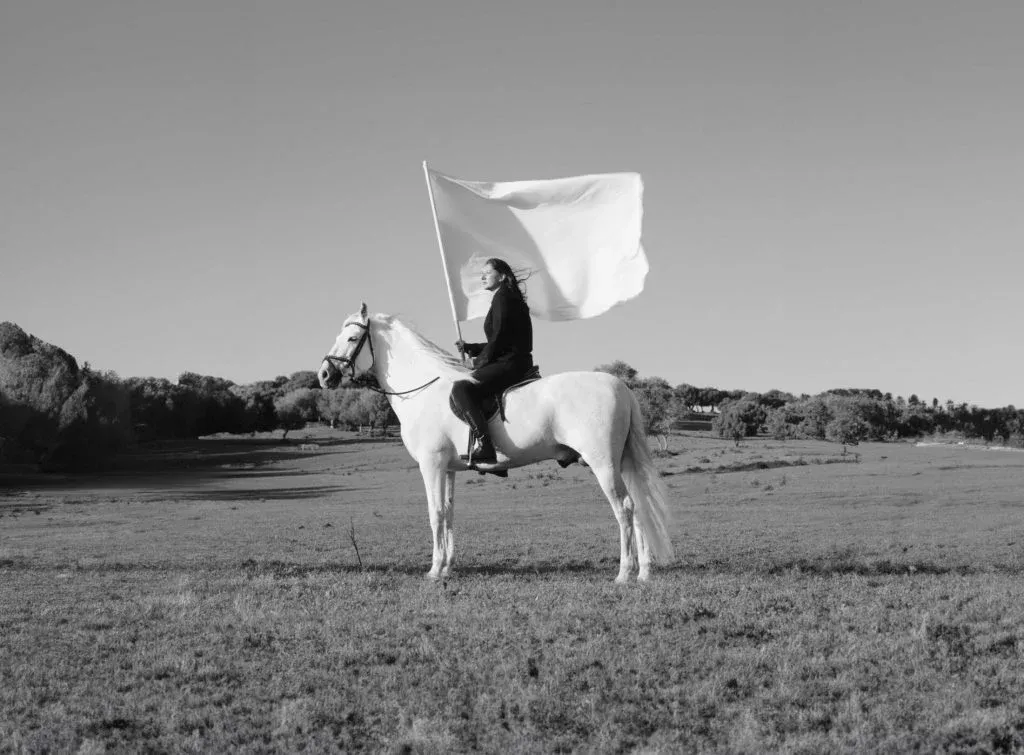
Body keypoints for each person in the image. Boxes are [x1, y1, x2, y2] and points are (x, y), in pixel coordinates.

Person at [452, 258, 534, 465]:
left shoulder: (503, 298)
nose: (482, 277)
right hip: (513, 359)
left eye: (487, 272)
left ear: (503, 276)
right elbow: (502, 339)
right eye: (482, 273)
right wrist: (471, 348)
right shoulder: (507, 297)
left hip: (511, 363)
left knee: (461, 389)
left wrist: (477, 362)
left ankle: (485, 444)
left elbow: (499, 339)